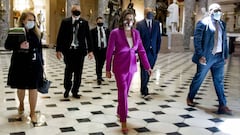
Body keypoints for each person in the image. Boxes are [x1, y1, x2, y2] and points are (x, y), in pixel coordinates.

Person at [106, 9, 152, 134]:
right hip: (119, 67)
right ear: (122, 19)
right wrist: (107, 69)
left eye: (131, 19)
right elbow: (109, 51)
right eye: (127, 18)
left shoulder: (136, 33)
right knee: (122, 91)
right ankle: (123, 120)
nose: (129, 21)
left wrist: (147, 67)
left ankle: (119, 110)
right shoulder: (115, 33)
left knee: (125, 92)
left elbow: (141, 51)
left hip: (131, 67)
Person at [187, 3, 232, 115]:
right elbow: (197, 40)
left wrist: (225, 55)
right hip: (206, 56)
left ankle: (223, 105)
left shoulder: (222, 23)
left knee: (219, 81)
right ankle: (190, 97)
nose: (218, 13)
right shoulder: (203, 23)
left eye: (219, 10)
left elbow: (224, 40)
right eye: (216, 10)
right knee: (199, 78)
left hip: (219, 57)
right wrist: (200, 55)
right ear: (210, 11)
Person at [5, 11, 44, 124]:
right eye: (29, 20)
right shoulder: (15, 32)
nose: (31, 22)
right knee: (21, 88)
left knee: (33, 88)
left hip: (34, 64)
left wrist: (42, 63)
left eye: (33, 20)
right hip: (20, 64)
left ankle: (32, 113)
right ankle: (21, 104)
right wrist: (19, 46)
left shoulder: (37, 33)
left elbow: (40, 49)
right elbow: (7, 45)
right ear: (23, 21)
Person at [56, 4, 94, 99]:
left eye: (78, 10)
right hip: (69, 51)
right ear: (71, 11)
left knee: (78, 72)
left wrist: (90, 51)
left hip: (80, 51)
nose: (76, 11)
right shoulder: (65, 22)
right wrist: (58, 50)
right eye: (74, 10)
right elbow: (60, 36)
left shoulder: (84, 22)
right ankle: (67, 89)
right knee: (68, 71)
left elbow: (88, 37)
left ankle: (75, 90)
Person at [136, 8, 161, 100]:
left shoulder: (156, 24)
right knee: (144, 70)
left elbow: (158, 37)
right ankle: (144, 90)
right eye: (148, 12)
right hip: (143, 51)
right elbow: (137, 39)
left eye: (151, 12)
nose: (150, 14)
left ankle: (144, 87)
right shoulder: (140, 24)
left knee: (149, 70)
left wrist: (157, 50)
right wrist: (137, 52)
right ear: (145, 13)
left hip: (153, 52)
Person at [90, 17, 110, 85]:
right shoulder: (93, 31)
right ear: (96, 22)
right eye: (99, 21)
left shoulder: (106, 30)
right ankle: (99, 76)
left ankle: (100, 75)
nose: (100, 22)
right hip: (97, 49)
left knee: (102, 63)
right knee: (98, 62)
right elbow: (91, 41)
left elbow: (109, 39)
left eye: (101, 21)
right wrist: (91, 50)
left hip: (104, 49)